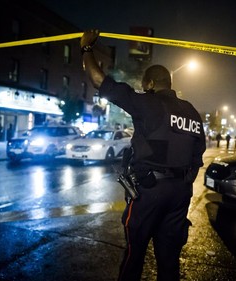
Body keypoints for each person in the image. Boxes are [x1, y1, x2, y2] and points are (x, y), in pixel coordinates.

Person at [80, 29, 206, 281]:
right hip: (180, 194)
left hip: (150, 192)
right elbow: (198, 152)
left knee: (135, 254)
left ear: (149, 84)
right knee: (169, 260)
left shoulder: (147, 103)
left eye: (143, 85)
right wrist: (181, 182)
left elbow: (98, 81)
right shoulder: (192, 111)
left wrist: (86, 49)